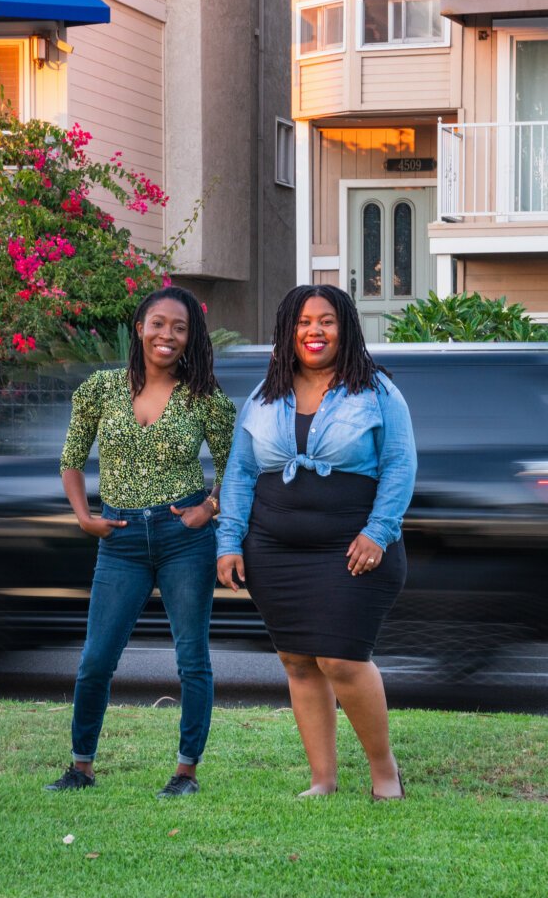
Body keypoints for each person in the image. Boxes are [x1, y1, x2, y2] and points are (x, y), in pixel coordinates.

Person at [217, 284, 416, 800]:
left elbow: (399, 465)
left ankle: (384, 772)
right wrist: (229, 542)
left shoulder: (377, 391)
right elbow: (239, 473)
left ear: (344, 327)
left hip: (354, 549)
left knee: (343, 660)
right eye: (304, 322)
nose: (315, 331)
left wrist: (379, 532)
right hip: (275, 551)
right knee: (298, 661)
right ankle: (323, 780)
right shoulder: (264, 396)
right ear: (289, 331)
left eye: (326, 320)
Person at [46, 286, 236, 796]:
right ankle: (81, 767)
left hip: (184, 539)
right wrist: (85, 517)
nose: (167, 335)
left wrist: (209, 508)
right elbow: (70, 458)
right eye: (158, 323)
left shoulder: (205, 398)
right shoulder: (102, 390)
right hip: (121, 539)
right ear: (140, 327)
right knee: (96, 659)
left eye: (180, 327)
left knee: (191, 659)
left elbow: (236, 466)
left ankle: (185, 772)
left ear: (190, 336)